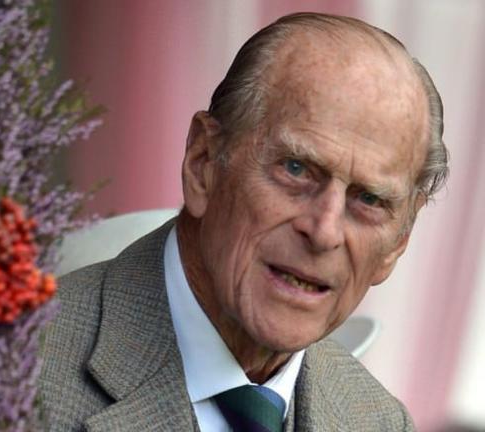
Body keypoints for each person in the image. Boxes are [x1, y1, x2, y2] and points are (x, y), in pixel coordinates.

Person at [38, 12, 448, 432]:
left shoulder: (383, 422)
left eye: (369, 199)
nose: (324, 232)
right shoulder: (17, 369)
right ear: (203, 163)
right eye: (296, 169)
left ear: (399, 241)